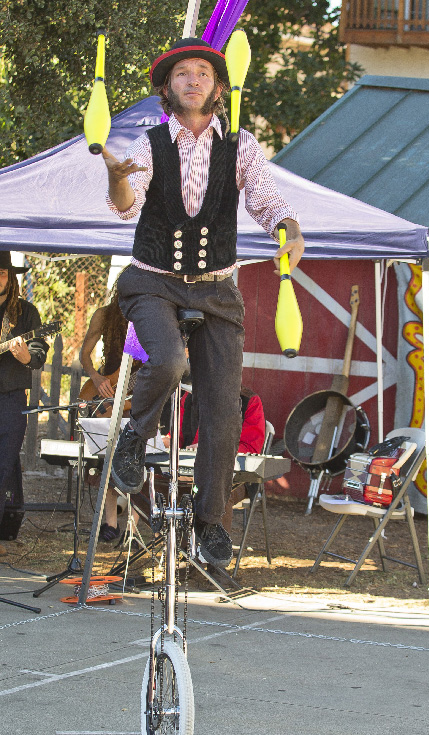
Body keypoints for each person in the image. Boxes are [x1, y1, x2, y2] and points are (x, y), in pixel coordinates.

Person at [102, 37, 304, 569]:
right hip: (153, 282)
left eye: (203, 73)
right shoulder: (149, 145)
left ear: (218, 87)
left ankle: (210, 520)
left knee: (222, 410)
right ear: (167, 88)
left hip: (216, 289)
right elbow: (127, 208)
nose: (193, 79)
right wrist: (115, 178)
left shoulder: (240, 145)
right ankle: (133, 435)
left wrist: (288, 227)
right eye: (183, 73)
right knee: (166, 359)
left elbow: (264, 195)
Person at [79, 280, 139, 542]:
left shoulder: (146, 319)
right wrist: (95, 378)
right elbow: (85, 355)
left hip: (137, 395)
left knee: (138, 460)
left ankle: (134, 523)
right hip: (107, 388)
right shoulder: (103, 315)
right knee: (108, 460)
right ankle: (110, 523)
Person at [0, 251, 49, 537]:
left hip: (11, 399)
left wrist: (23, 356)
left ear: (11, 277)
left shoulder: (26, 312)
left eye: (3, 273)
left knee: (4, 464)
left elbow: (39, 351)